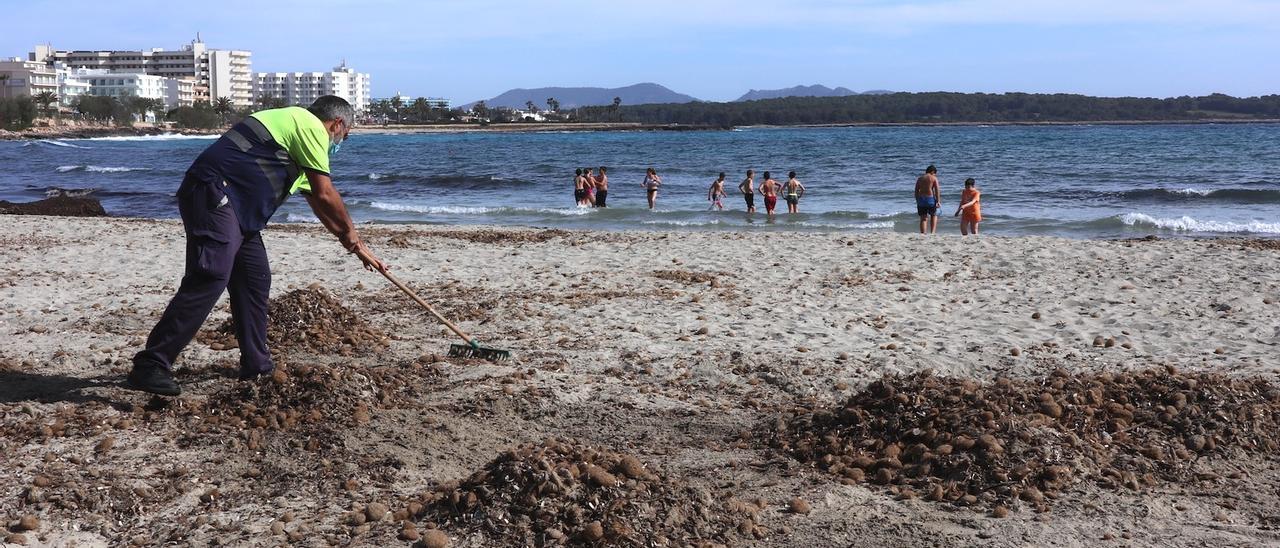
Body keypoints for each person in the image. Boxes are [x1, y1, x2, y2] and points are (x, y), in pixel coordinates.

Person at [125, 95, 388, 396]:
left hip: (239, 214)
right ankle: (152, 364)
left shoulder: (296, 140)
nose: (341, 141)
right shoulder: (309, 126)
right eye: (345, 135)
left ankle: (256, 365)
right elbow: (326, 193)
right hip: (215, 195)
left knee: (254, 279)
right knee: (210, 275)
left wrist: (355, 246)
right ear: (337, 123)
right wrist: (352, 233)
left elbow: (317, 201)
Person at [915, 165, 941, 234]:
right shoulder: (933, 178)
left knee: (923, 218)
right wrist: (938, 201)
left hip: (921, 199)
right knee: (934, 215)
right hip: (930, 199)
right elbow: (937, 190)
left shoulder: (920, 178)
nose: (935, 175)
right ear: (932, 172)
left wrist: (917, 200)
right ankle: (932, 232)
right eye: (935, 173)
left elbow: (916, 190)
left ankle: (923, 233)